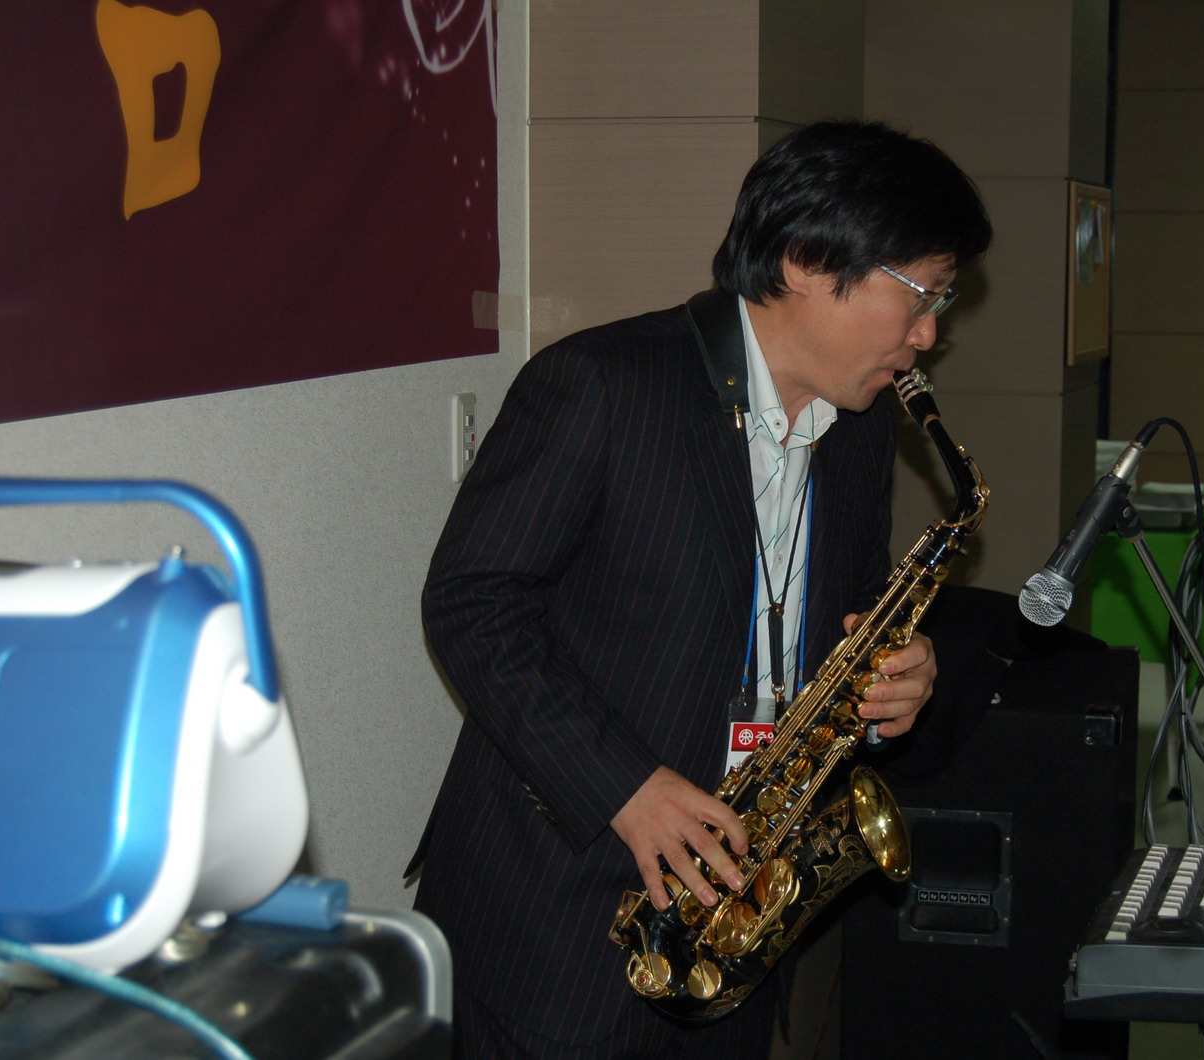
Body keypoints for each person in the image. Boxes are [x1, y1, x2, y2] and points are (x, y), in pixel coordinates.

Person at [409, 120, 992, 1059]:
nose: (928, 335)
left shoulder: (862, 431)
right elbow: (472, 603)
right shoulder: (602, 384)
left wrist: (894, 684)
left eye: (941, 301)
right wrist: (625, 788)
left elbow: (843, 618)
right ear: (806, 261)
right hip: (556, 917)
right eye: (919, 295)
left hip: (732, 921)